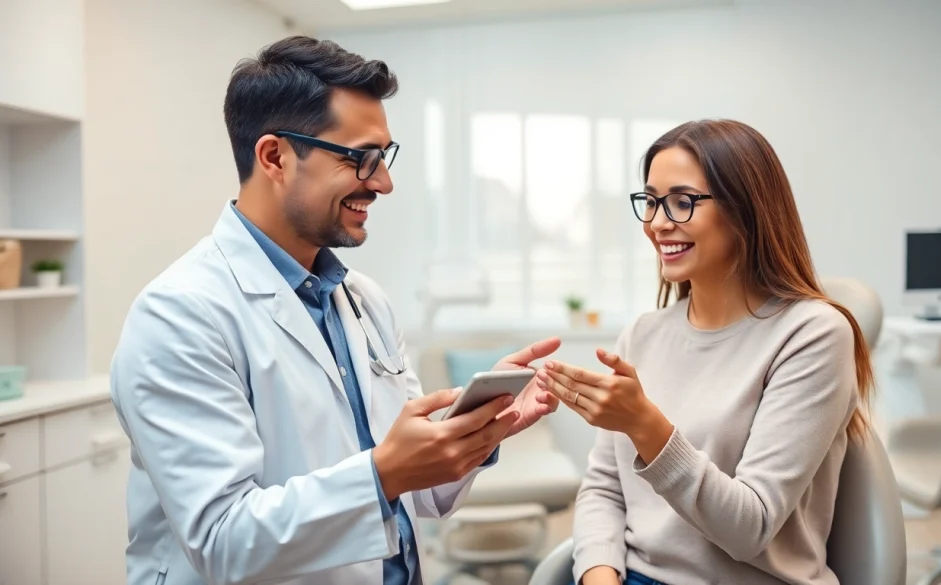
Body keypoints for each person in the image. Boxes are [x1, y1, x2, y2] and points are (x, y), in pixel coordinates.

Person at [108, 35, 561, 585]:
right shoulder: (179, 316)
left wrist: (478, 429)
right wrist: (383, 473)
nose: (384, 183)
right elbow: (223, 542)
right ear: (275, 156)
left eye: (385, 157)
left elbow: (415, 497)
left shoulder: (365, 301)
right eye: (361, 158)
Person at [536, 119, 874, 585]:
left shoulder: (813, 335)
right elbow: (604, 489)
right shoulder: (642, 335)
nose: (656, 223)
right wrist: (598, 574)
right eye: (651, 201)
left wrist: (644, 424)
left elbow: (750, 528)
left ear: (747, 209)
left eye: (681, 202)